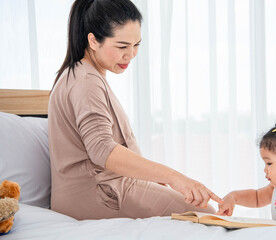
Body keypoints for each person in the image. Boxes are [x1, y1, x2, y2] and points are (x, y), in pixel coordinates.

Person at [48, 0, 221, 220]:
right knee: (204, 214)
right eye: (122, 46)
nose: (130, 54)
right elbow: (102, 150)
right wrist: (174, 177)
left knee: (199, 209)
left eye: (136, 44)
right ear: (93, 40)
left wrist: (160, 179)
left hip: (94, 191)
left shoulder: (81, 75)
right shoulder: (86, 80)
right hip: (96, 194)